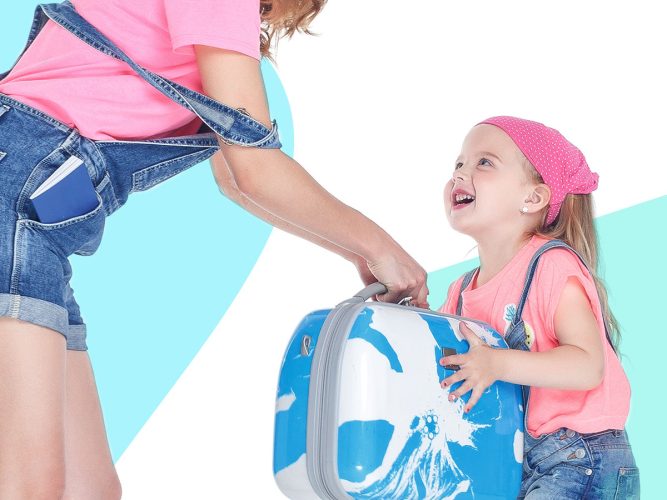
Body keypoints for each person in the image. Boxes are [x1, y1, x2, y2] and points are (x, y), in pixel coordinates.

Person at [0, 0, 428, 498]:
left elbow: (237, 180)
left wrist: (357, 253)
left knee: (90, 489)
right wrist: (382, 248)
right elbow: (256, 171)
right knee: (31, 487)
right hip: (18, 204)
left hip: (35, 215)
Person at [437, 116, 639, 498]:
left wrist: (497, 363)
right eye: (459, 163)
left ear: (533, 198)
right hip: (516, 460)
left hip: (582, 456)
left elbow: (587, 366)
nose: (461, 173)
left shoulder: (551, 265)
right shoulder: (459, 293)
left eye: (484, 162)